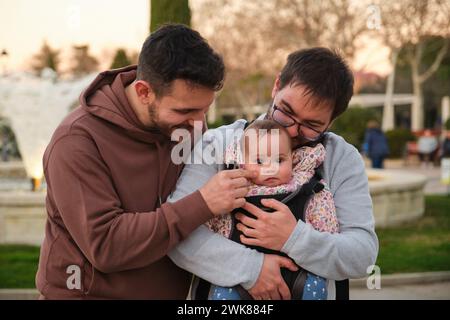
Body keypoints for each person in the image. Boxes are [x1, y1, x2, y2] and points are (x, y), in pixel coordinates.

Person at [35, 24, 256, 299]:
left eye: (204, 109)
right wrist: (202, 203)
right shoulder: (76, 142)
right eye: (185, 110)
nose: (199, 123)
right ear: (143, 92)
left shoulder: (187, 127)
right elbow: (106, 246)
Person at [168, 47, 379, 300]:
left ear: (331, 122)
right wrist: (253, 269)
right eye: (286, 112)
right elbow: (177, 232)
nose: (290, 132)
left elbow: (363, 255)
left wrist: (293, 238)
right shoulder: (217, 144)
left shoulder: (342, 158)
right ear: (276, 85)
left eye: (312, 126)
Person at [205, 120, 339, 300]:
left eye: (279, 160)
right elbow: (212, 226)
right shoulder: (233, 189)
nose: (271, 168)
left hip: (297, 275)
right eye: (260, 161)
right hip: (239, 278)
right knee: (221, 292)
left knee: (315, 285)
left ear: (293, 158)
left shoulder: (308, 189)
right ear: (243, 163)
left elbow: (327, 230)